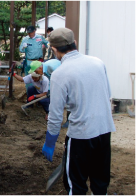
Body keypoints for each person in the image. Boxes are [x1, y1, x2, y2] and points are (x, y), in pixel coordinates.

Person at [42, 28, 116, 196]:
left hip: (81, 136)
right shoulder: (97, 62)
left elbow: (55, 115)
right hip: (104, 130)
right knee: (100, 180)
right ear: (75, 43)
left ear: (54, 49)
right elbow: (108, 94)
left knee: (76, 184)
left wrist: (50, 141)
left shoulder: (60, 73)